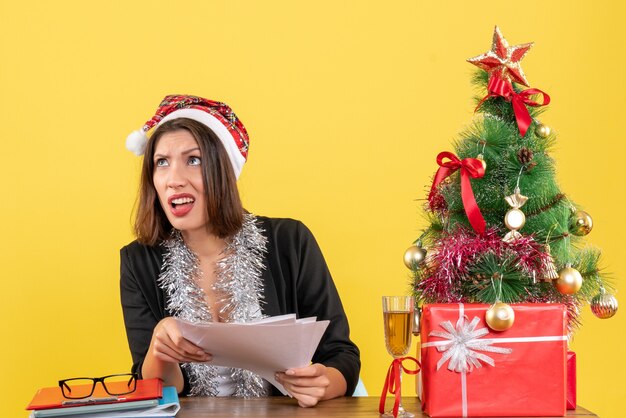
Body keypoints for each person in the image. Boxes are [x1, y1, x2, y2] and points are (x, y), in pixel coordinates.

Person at [120, 95, 360, 407]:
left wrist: (324, 383)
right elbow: (158, 391)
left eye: (194, 160)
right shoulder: (138, 261)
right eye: (161, 162)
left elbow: (342, 354)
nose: (173, 180)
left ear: (224, 171)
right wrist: (159, 346)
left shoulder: (290, 241)